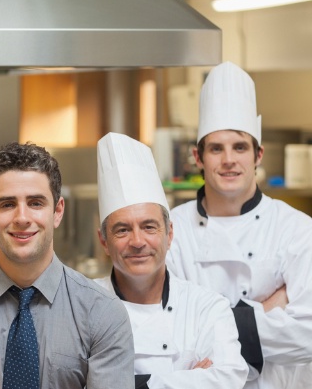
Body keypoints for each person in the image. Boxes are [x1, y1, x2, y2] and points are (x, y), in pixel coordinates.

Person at [0, 142, 134, 389]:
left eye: (35, 203)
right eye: (7, 204)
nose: (22, 218)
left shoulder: (102, 312)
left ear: (57, 211)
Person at [168, 61, 312, 389]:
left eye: (240, 147)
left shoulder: (297, 229)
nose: (229, 159)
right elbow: (168, 332)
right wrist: (266, 310)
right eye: (216, 148)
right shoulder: (172, 230)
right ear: (199, 157)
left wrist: (211, 329)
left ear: (258, 154)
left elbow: (308, 335)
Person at [93, 132, 248, 389]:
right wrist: (189, 380)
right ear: (103, 241)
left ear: (170, 234)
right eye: (122, 230)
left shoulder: (207, 308)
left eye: (149, 227)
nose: (137, 241)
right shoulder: (82, 305)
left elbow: (229, 379)